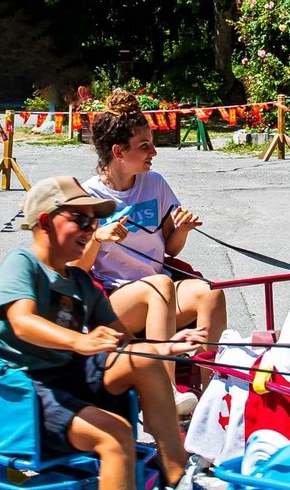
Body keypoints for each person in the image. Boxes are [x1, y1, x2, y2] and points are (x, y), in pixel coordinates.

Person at [0, 175, 223, 490]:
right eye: (81, 219)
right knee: (115, 435)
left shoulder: (80, 281)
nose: (91, 229)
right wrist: (78, 342)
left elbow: (124, 340)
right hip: (31, 391)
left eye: (94, 221)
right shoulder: (23, 265)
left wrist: (171, 346)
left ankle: (179, 480)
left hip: (72, 378)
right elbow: (22, 322)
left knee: (146, 358)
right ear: (46, 222)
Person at [84, 91, 227, 354]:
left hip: (161, 287)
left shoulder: (155, 183)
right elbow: (76, 268)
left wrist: (183, 230)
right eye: (144, 146)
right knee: (159, 287)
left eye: (151, 143)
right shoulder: (89, 196)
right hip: (115, 300)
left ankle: (211, 386)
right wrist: (97, 237)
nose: (154, 152)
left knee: (211, 293)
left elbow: (170, 249)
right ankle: (167, 388)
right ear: (118, 152)